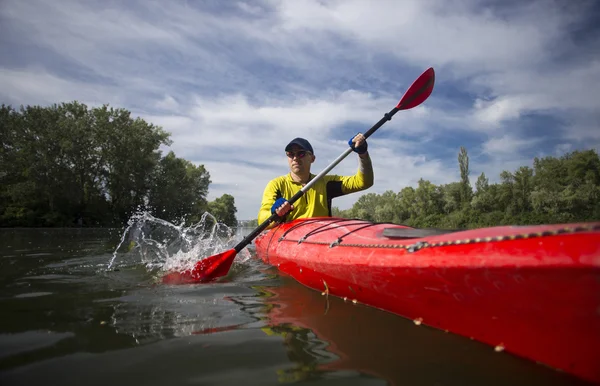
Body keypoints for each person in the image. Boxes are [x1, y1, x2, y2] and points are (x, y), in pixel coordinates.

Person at [258, 133, 373, 225]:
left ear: (312, 158)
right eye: (290, 154)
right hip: (288, 240)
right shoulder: (276, 185)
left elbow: (363, 182)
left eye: (301, 154)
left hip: (321, 238)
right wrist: (274, 212)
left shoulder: (325, 182)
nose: (295, 158)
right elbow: (261, 220)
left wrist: (363, 154)